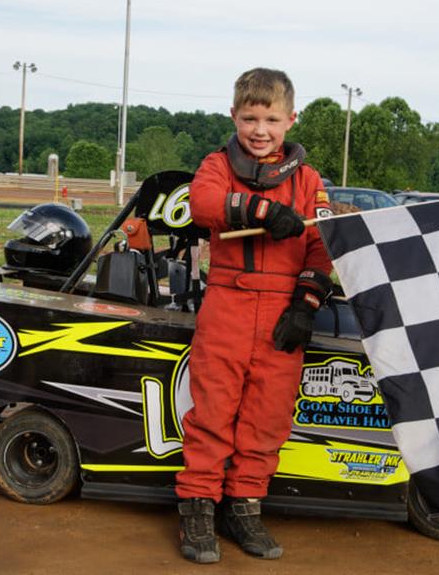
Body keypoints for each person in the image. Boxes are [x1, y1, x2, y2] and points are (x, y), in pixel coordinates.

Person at [175, 68, 333, 564]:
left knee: (267, 419)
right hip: (228, 305)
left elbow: (322, 247)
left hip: (283, 313)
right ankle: (198, 508)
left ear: (291, 119)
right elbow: (201, 204)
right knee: (214, 413)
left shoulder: (308, 181)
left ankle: (244, 507)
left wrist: (306, 306)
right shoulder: (218, 164)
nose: (259, 129)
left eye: (270, 118)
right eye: (249, 118)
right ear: (234, 117)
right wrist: (261, 212)